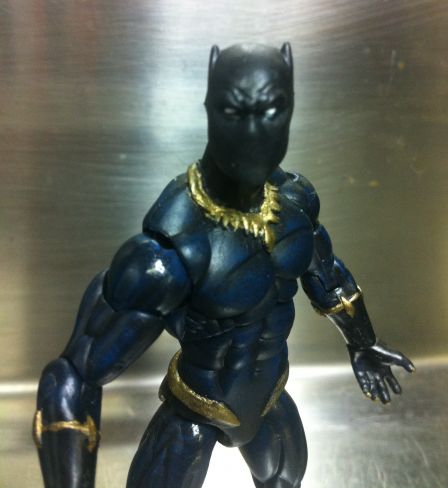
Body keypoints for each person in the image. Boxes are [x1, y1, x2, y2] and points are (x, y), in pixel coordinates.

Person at [34, 43, 414, 488]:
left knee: (286, 478)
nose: (254, 132)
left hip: (270, 400)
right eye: (235, 111)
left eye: (272, 109)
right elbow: (73, 378)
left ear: (290, 106)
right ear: (210, 108)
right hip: (196, 411)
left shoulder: (295, 203)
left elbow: (327, 275)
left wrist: (362, 342)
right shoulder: (170, 251)